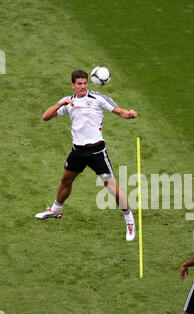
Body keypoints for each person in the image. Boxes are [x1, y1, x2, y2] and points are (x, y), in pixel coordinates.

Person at [35, 69, 138, 241]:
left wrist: (130, 114)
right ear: (73, 85)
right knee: (65, 181)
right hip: (78, 152)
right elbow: (45, 117)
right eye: (79, 84)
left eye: (85, 83)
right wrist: (61, 104)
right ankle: (56, 210)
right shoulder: (67, 102)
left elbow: (120, 112)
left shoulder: (98, 98)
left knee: (112, 188)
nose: (83, 87)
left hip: (97, 152)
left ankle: (129, 221)